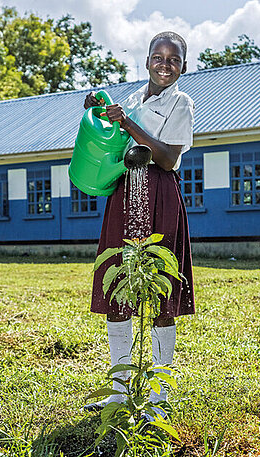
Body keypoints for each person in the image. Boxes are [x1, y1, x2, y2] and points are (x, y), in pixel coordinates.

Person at [82, 31, 195, 418]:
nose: (165, 65)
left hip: (159, 190)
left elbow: (164, 159)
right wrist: (98, 111)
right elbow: (111, 140)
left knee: (161, 288)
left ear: (183, 66)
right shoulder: (131, 100)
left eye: (173, 59)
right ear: (146, 61)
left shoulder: (181, 104)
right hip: (125, 189)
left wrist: (128, 123)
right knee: (118, 285)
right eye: (158, 57)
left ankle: (158, 399)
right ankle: (119, 390)